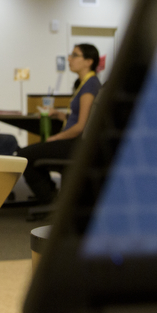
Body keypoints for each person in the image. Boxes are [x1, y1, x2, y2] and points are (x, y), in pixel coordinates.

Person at [16, 43, 101, 206]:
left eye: (75, 55)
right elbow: (78, 117)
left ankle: (50, 201)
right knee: (29, 155)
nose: (69, 59)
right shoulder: (84, 83)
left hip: (76, 143)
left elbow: (81, 126)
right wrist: (59, 114)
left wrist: (55, 138)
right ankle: (52, 196)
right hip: (73, 141)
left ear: (89, 61)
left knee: (24, 156)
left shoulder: (90, 85)